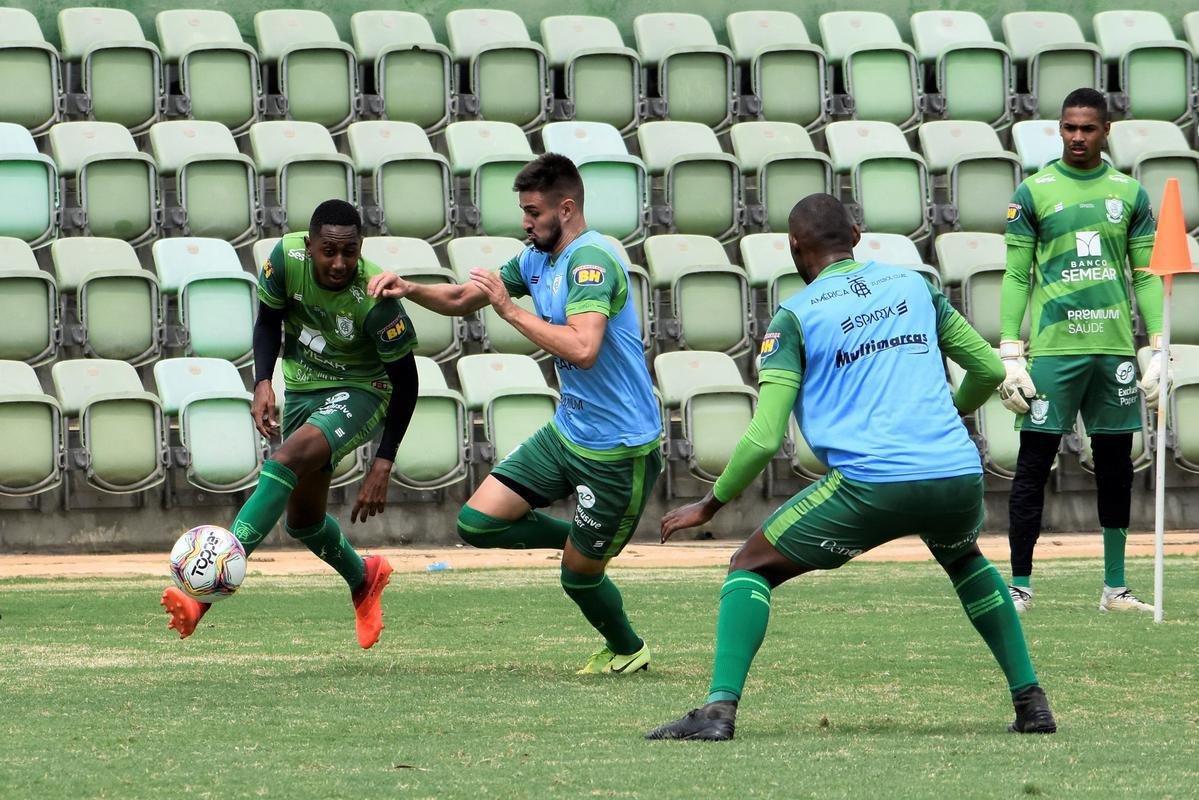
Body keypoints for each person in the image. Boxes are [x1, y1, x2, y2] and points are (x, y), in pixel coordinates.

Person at [645, 193, 1056, 741]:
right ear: (856, 236)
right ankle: (1032, 703)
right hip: (956, 473)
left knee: (749, 566)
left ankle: (718, 712)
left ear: (794, 248)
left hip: (872, 483)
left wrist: (710, 503)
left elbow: (765, 437)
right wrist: (947, 414)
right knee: (963, 558)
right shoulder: (916, 286)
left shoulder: (794, 318)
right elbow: (985, 368)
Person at [369, 153, 662, 674]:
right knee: (477, 523)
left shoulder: (591, 262)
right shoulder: (535, 259)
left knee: (577, 578)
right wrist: (410, 289)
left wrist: (509, 310)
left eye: (533, 212)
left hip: (618, 450)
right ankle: (579, 540)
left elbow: (583, 348)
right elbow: (464, 296)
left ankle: (628, 648)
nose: (525, 223)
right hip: (569, 432)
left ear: (566, 208)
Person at [161, 199, 420, 649]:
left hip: (363, 389)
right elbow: (268, 321)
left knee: (287, 457)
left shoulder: (377, 300)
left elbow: (407, 382)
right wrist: (262, 381)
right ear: (311, 244)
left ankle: (201, 597)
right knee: (303, 522)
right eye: (329, 251)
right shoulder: (284, 259)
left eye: (350, 252)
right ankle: (364, 578)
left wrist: (383, 461)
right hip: (303, 387)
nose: (340, 263)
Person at [998, 88, 1167, 614]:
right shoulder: (1034, 191)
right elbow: (1014, 274)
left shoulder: (1130, 194)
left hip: (1113, 350)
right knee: (1033, 467)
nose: (1077, 137)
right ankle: (1020, 585)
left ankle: (1114, 588)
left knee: (1116, 469)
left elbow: (1145, 274)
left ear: (1105, 131)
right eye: (1069, 127)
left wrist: (1157, 346)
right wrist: (1009, 349)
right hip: (1053, 353)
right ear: (1059, 128)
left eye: (1087, 128)